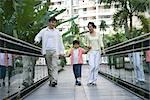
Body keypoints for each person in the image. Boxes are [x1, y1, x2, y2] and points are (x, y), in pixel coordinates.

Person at [34, 17, 65, 87]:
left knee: (54, 65)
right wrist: (37, 40)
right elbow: (38, 36)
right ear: (49, 22)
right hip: (47, 50)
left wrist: (62, 51)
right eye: (52, 22)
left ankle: (54, 80)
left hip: (55, 51)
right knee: (49, 67)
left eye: (54, 22)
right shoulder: (44, 31)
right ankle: (51, 80)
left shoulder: (57, 32)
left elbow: (60, 42)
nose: (53, 24)